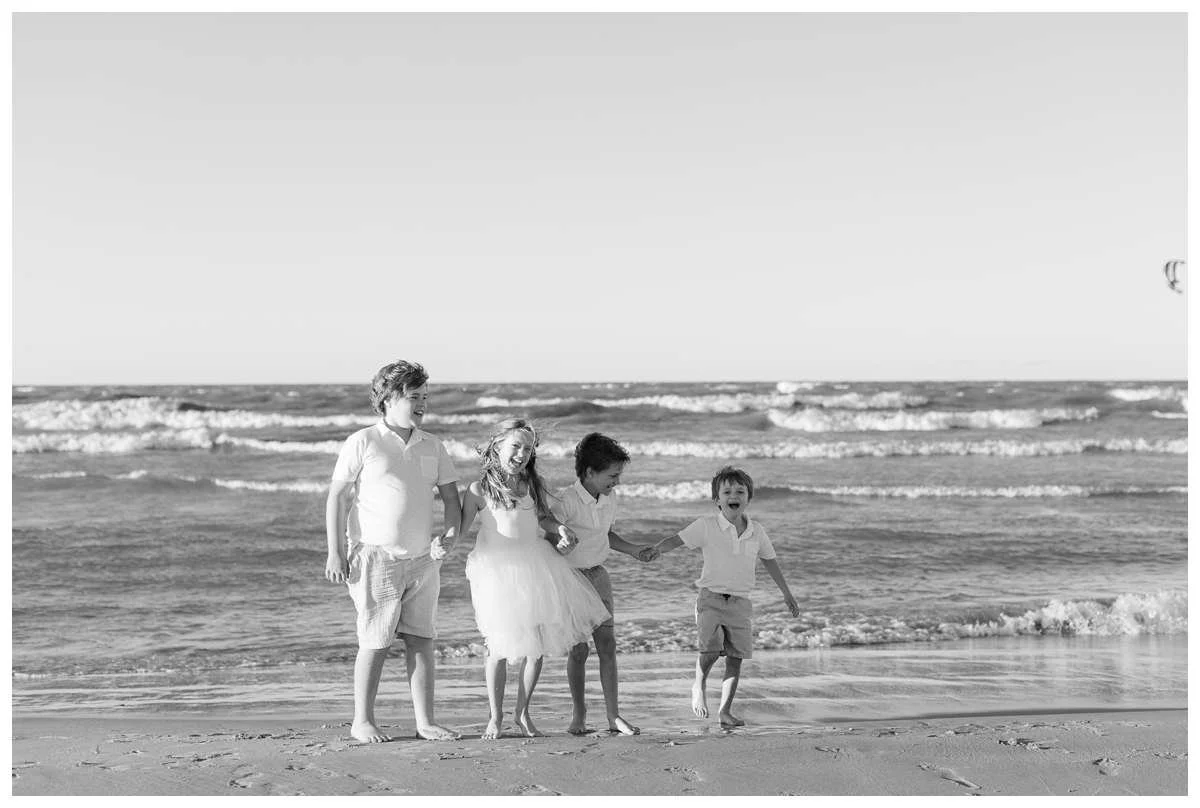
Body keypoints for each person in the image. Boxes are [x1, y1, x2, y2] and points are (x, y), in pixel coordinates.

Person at [324, 359, 463, 743]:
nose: (422, 404)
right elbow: (337, 498)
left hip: (424, 559)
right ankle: (362, 720)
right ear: (388, 399)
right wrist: (335, 553)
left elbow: (452, 500)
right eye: (413, 397)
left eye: (424, 397)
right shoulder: (363, 441)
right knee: (376, 640)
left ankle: (425, 721)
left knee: (422, 640)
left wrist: (449, 536)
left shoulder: (433, 445)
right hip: (374, 556)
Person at [457, 419, 610, 740]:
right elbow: (459, 529)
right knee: (497, 646)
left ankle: (522, 713)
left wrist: (561, 529)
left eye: (528, 449)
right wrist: (441, 541)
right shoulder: (478, 491)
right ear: (497, 447)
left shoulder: (532, 485)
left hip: (536, 567)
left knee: (535, 646)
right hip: (497, 574)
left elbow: (544, 518)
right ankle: (495, 717)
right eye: (516, 447)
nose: (522, 454)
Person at [644, 465, 800, 729]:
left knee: (736, 657)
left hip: (740, 602)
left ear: (748, 498)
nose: (733, 495)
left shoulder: (756, 531)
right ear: (717, 499)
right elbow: (677, 539)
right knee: (711, 649)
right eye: (726, 491)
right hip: (710, 599)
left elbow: (771, 562)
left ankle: (725, 711)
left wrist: (787, 594)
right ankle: (699, 684)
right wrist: (656, 550)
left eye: (740, 491)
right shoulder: (706, 526)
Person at [544, 432, 650, 736]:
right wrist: (559, 541)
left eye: (618, 475)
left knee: (608, 645)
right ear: (589, 472)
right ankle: (579, 715)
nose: (616, 482)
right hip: (572, 578)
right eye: (612, 475)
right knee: (578, 650)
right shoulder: (565, 500)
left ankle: (613, 715)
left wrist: (634, 551)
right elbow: (548, 532)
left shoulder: (610, 498)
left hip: (599, 575)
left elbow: (607, 535)